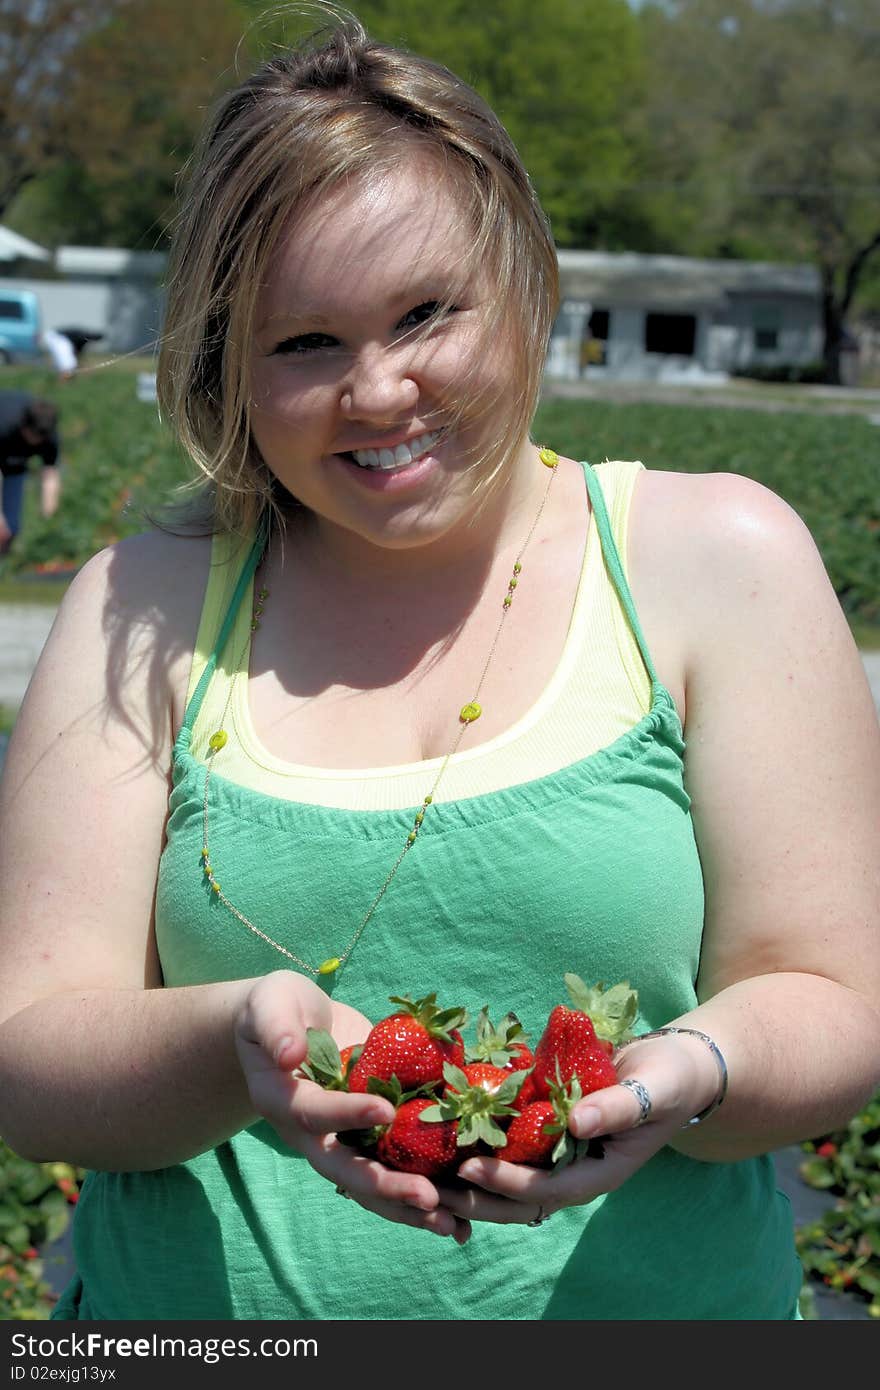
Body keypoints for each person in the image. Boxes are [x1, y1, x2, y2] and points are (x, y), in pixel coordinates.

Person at [0, 11, 878, 1323]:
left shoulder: (715, 558)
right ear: (227, 361)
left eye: (425, 312)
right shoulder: (144, 603)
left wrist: (692, 1066)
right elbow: (29, 1057)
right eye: (305, 343)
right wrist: (236, 1039)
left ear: (521, 280)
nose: (379, 390)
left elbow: (833, 998)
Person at [0, 391, 61, 554]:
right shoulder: (5, 425)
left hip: (15, 465)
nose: (37, 442)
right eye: (33, 436)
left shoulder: (48, 435)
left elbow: (50, 476)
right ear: (24, 426)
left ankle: (4, 565)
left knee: (11, 528)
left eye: (42, 439)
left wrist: (48, 518)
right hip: (4, 450)